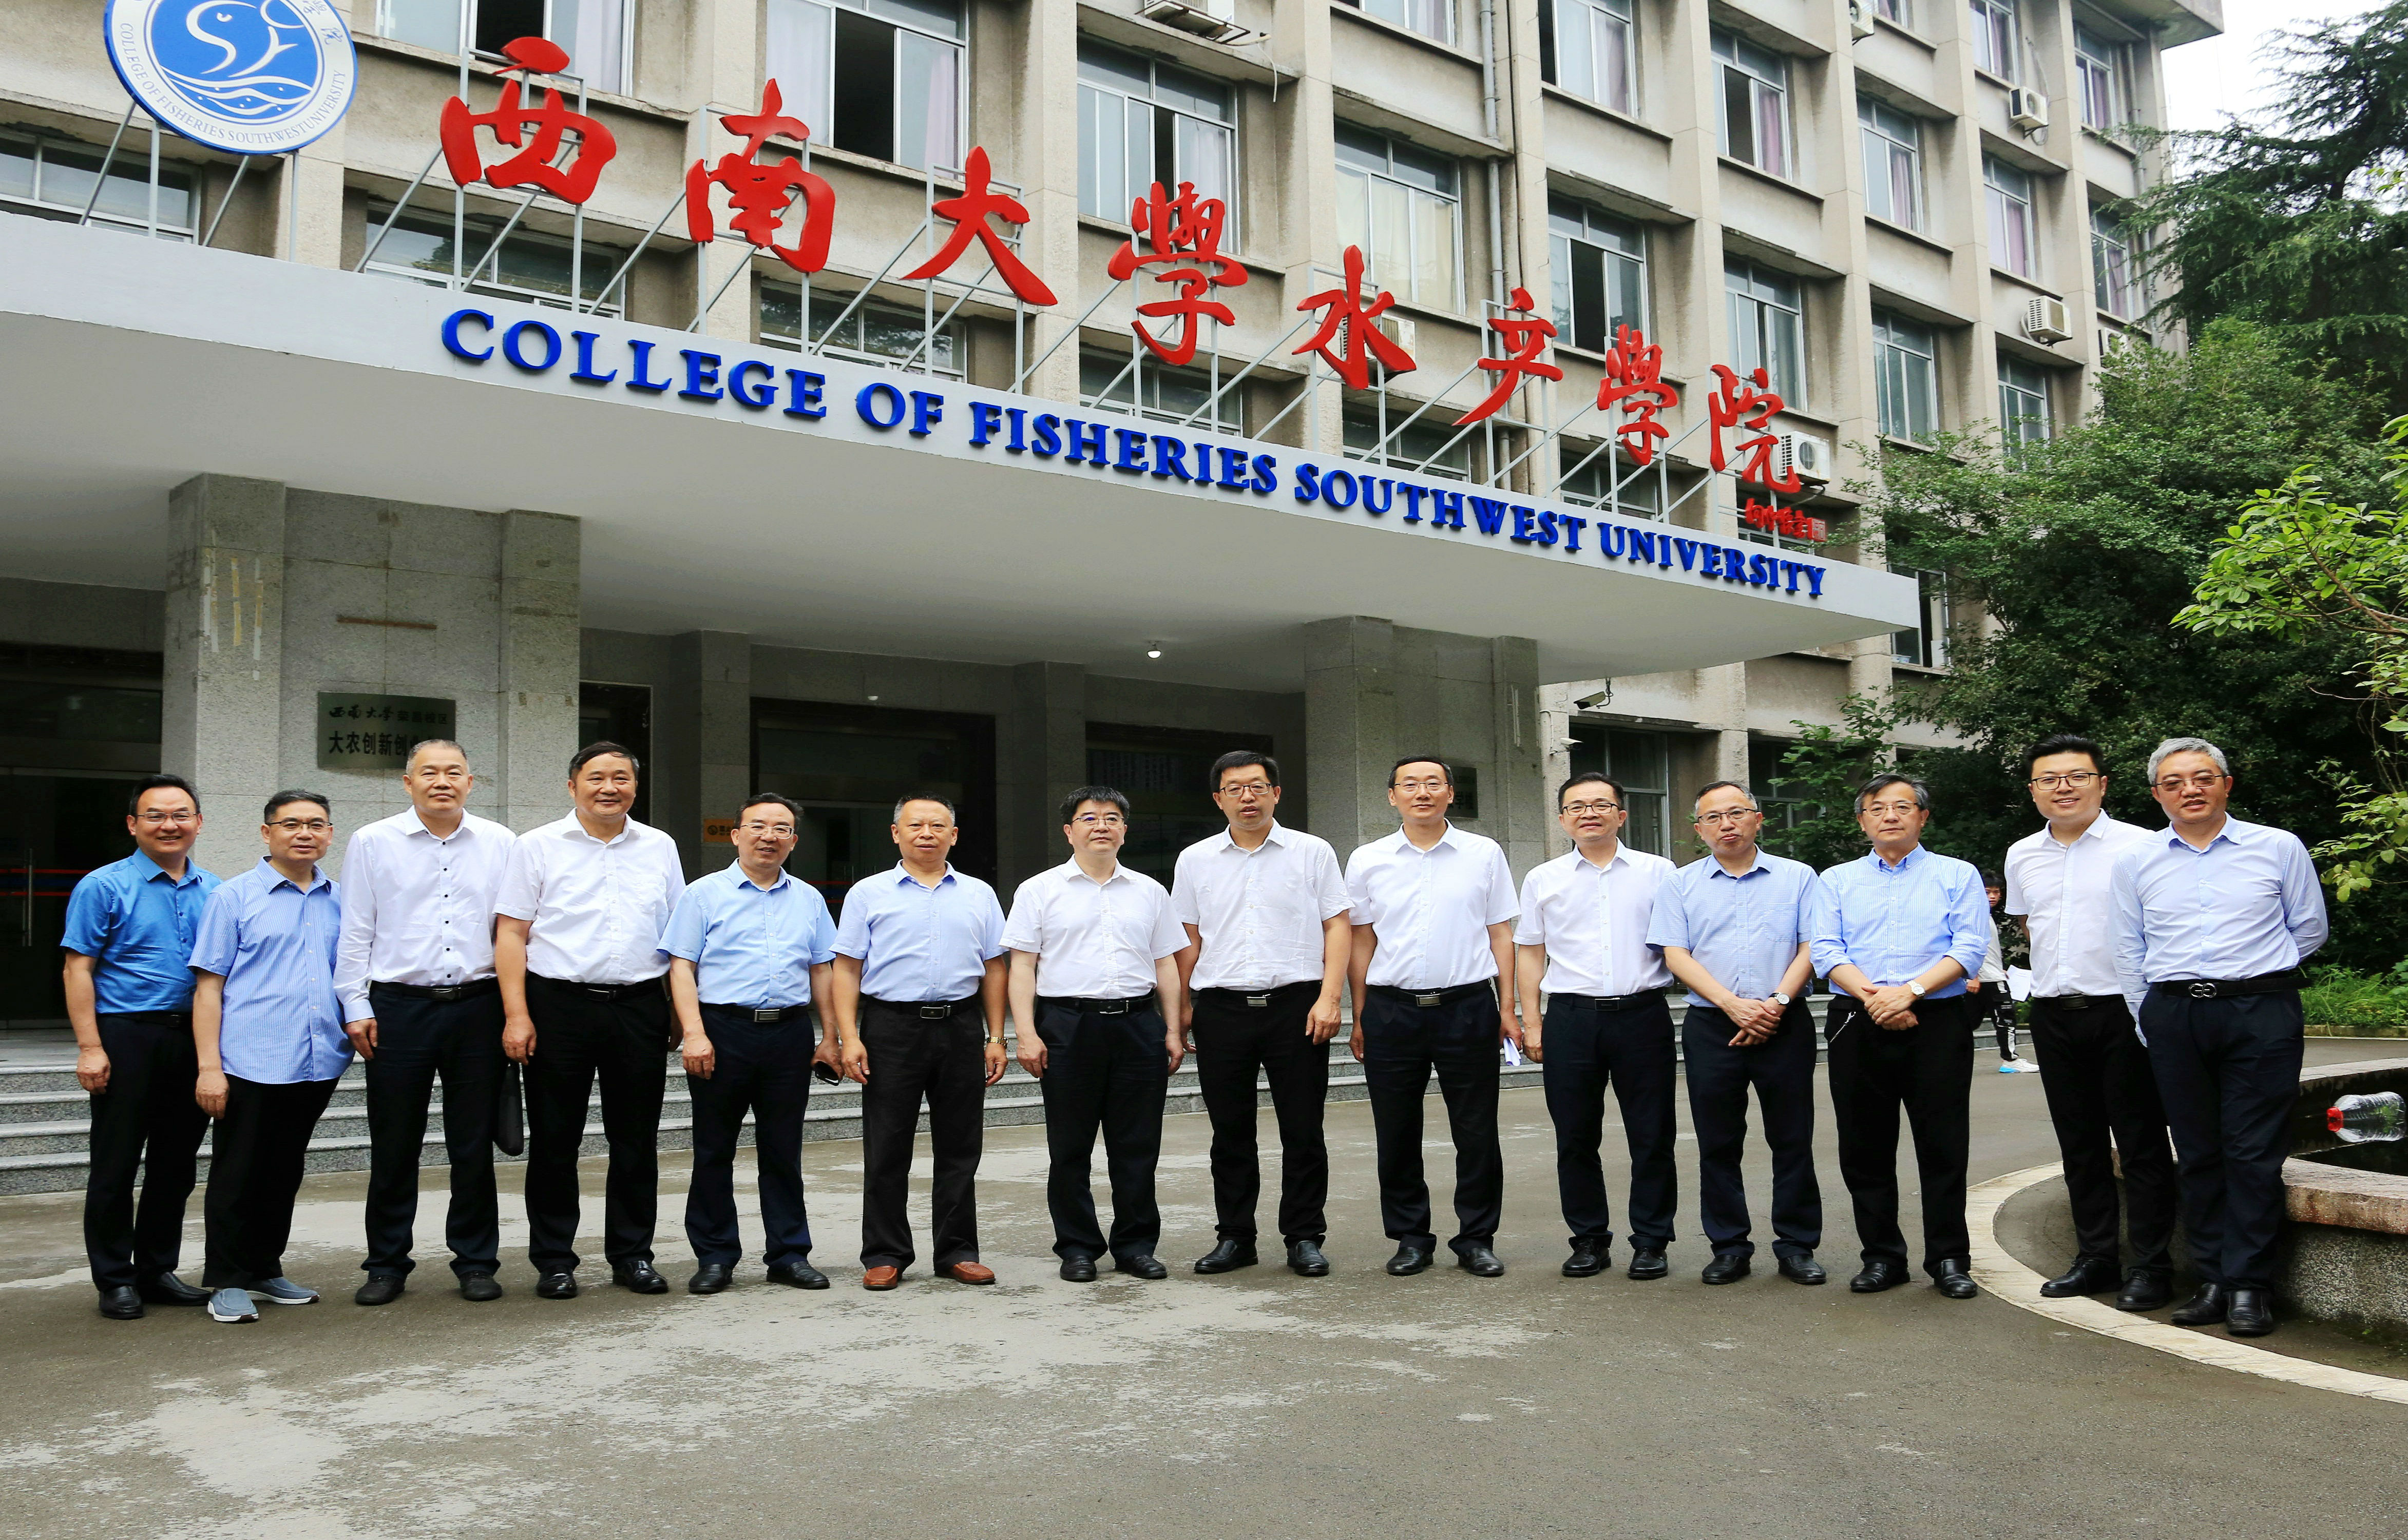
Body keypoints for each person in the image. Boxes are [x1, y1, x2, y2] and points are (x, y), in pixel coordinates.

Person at [2112, 736, 2327, 1338]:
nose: (2190, 790)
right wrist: (2149, 1019)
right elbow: (2128, 947)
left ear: (2225, 784)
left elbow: (2309, 927)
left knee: (2254, 1153)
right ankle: (2211, 1280)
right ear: (2157, 795)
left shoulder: (2277, 847)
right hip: (2174, 1013)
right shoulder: (2135, 861)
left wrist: (2255, 973)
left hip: (2260, 1011)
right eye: (2174, 782)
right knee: (2198, 1152)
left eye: (2202, 778)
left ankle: (2249, 1286)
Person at [494, 741, 688, 1300]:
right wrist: (517, 1015)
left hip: (638, 1005)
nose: (610, 788)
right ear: (572, 785)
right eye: (597, 777)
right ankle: (555, 1260)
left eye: (621, 778)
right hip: (559, 1007)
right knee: (556, 1140)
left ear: (635, 787)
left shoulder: (659, 846)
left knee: (636, 1139)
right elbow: (511, 933)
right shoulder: (536, 846)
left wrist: (679, 1011)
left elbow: (678, 934)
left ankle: (633, 1256)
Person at [336, 739, 518, 1306]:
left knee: (473, 1143)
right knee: (394, 1142)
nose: (443, 781)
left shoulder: (501, 842)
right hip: (400, 1008)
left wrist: (517, 1010)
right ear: (408, 781)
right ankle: (386, 1264)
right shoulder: (373, 841)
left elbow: (514, 930)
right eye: (430, 772)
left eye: (454, 772)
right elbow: (356, 929)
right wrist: (355, 1004)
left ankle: (476, 1262)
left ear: (471, 782)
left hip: (478, 1006)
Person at [2005, 734, 2174, 1311]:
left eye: (2076, 776)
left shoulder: (2143, 846)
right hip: (2053, 1013)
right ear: (2033, 791)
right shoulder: (2022, 854)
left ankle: (2151, 1267)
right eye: (2048, 779)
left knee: (2141, 1144)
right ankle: (2096, 1258)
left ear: (2102, 784)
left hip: (2123, 1012)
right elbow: (2030, 926)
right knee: (2078, 1145)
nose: (2063, 788)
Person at [1171, 752, 1352, 1279]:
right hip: (1221, 1008)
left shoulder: (1312, 852)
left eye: (1256, 786)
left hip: (1298, 1006)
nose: (1246, 797)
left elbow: (1338, 925)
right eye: (1234, 789)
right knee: (1229, 1132)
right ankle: (1235, 1237)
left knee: (1303, 1128)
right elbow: (1188, 937)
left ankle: (1304, 1237)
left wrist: (1331, 997)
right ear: (1218, 799)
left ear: (1276, 793)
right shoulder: (1195, 859)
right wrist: (1182, 1007)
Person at [1811, 773, 1990, 1299]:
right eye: (1877, 808)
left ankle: (1949, 1258)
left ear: (1923, 817)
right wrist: (1878, 999)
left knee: (1943, 1144)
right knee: (1863, 1145)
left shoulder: (1957, 875)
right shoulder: (1837, 880)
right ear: (1862, 821)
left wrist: (1908, 992)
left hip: (1936, 1019)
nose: (1889, 816)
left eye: (1902, 806)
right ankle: (1882, 1257)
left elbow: (1969, 947)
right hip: (1857, 1017)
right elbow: (1826, 950)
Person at [1345, 757, 1521, 1279]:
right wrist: (1359, 1014)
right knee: (1396, 1130)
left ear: (1450, 794)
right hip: (1391, 1009)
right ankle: (1410, 1237)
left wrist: (1507, 1008)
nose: (1421, 792)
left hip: (1467, 1007)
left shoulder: (1483, 854)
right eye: (1409, 784)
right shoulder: (1368, 859)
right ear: (1392, 796)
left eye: (1432, 784)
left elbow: (1501, 934)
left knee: (1476, 1129)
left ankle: (1476, 1238)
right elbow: (1361, 940)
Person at [1004, 786, 1188, 1282]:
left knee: (1138, 1145)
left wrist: (1173, 1029)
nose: (1101, 826)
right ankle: (1078, 1247)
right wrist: (1026, 1033)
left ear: (1125, 830)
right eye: (1089, 818)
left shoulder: (1150, 891)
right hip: (1068, 1025)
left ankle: (1135, 1246)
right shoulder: (1039, 890)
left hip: (1138, 1025)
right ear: (1069, 831)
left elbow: (1166, 964)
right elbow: (1022, 966)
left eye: (1112, 818)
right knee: (1070, 1147)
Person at [1649, 780, 1826, 1286]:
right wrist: (1731, 1004)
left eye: (1736, 813)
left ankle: (1797, 1246)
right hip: (1712, 1024)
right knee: (1718, 1142)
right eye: (1713, 817)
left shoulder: (1798, 877)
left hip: (1783, 1021)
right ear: (1699, 829)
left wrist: (1776, 1003)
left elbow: (1813, 944)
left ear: (1757, 819)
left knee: (1792, 1138)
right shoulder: (1680, 884)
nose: (1726, 825)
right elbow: (1675, 953)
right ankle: (1728, 1246)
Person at [661, 793, 840, 1295]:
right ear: (736, 835)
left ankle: (789, 1254)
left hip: (788, 1033)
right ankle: (715, 1256)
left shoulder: (808, 899)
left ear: (793, 841)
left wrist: (830, 1036)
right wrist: (693, 1032)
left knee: (783, 1149)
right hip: (723, 1031)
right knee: (713, 1149)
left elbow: (822, 969)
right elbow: (681, 966)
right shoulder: (702, 895)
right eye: (758, 826)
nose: (769, 836)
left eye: (781, 828)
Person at [830, 795, 1010, 1291]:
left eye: (938, 825)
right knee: (887, 1145)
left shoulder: (979, 894)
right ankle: (885, 1253)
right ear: (896, 833)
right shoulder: (868, 893)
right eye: (915, 825)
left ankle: (958, 1251)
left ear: (954, 835)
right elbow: (847, 967)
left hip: (961, 1025)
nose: (926, 833)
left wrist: (997, 1036)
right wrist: (849, 1037)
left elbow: (995, 968)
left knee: (961, 1145)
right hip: (892, 1028)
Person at [188, 792, 353, 1324]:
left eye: (316, 825)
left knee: (284, 1169)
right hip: (249, 1060)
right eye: (291, 824)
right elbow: (208, 988)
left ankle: (264, 1268)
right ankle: (228, 1279)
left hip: (317, 1059)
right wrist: (209, 1067)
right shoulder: (233, 898)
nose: (304, 833)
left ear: (330, 834)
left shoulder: (341, 900)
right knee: (238, 1171)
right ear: (267, 833)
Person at [63, 774, 221, 1320]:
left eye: (180, 815)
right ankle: (114, 1279)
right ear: (133, 824)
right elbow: (77, 969)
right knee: (116, 1163)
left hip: (193, 1036)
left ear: (198, 823)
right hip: (127, 1034)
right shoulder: (103, 886)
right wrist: (91, 1047)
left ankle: (156, 1271)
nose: (169, 825)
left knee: (175, 1165)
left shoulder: (217, 890)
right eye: (155, 815)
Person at [1513, 772, 1678, 1281]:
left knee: (1652, 1134)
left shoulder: (1659, 872)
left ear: (1621, 815)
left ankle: (1651, 1241)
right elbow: (1529, 952)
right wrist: (1532, 1022)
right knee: (1575, 1136)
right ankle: (1588, 1240)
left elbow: (1679, 942)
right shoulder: (1543, 878)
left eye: (1601, 804)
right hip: (1571, 1019)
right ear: (1563, 819)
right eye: (1577, 806)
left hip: (1642, 1015)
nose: (1589, 813)